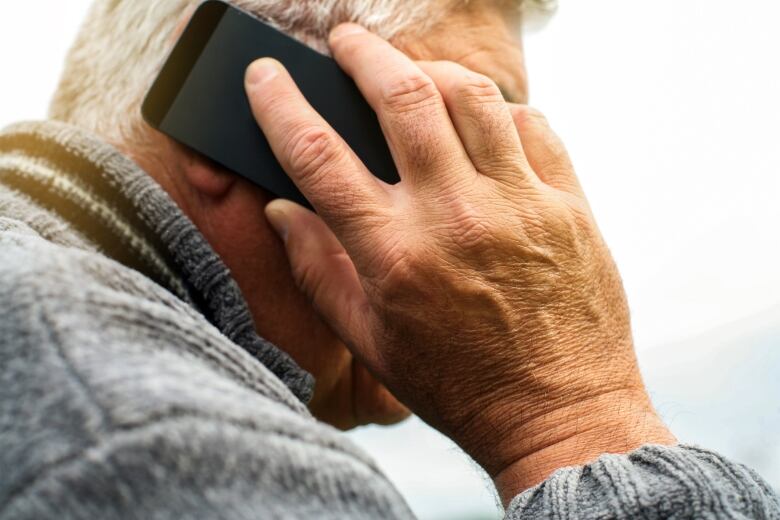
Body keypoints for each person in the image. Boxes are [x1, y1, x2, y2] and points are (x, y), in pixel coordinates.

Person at [0, 0, 777, 518]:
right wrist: (570, 421)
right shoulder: (178, 447)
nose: (505, 210)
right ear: (239, 105)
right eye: (458, 128)